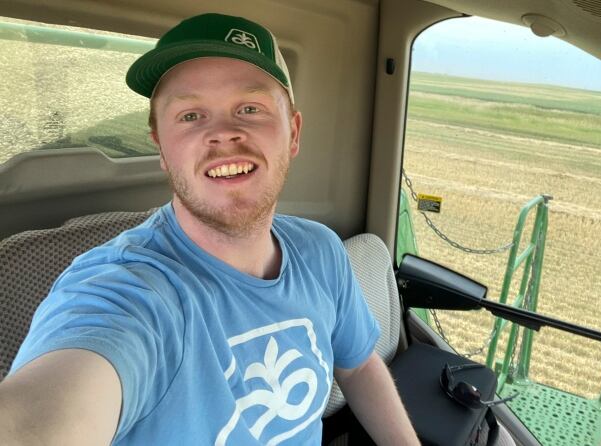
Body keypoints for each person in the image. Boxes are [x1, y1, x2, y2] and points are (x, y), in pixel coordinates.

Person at [0, 13, 419, 446]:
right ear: (161, 146)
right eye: (191, 114)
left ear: (292, 133)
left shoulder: (321, 251)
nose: (223, 133)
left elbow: (356, 365)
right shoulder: (126, 293)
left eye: (250, 108)